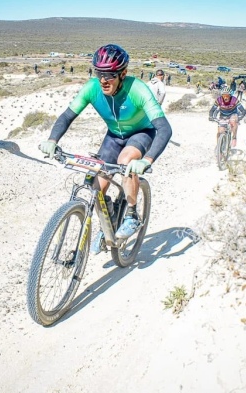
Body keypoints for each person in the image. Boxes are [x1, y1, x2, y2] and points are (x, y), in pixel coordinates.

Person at [39, 44, 172, 254]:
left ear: (123, 73)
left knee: (126, 161)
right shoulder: (92, 88)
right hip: (113, 137)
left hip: (141, 133)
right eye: (99, 73)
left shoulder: (138, 89)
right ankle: (108, 223)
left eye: (110, 75)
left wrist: (146, 161)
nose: (103, 80)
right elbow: (67, 116)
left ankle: (131, 215)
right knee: (95, 187)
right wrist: (52, 139)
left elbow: (164, 128)